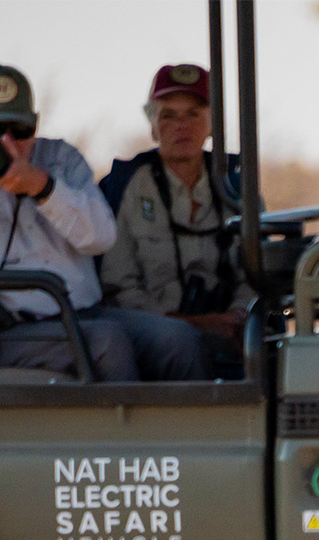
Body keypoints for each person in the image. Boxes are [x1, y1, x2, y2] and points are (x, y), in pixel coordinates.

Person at [0, 65, 208, 381]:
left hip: (83, 314)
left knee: (180, 340)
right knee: (106, 343)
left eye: (19, 131)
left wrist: (42, 187)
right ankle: (127, 431)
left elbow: (101, 238)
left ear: (35, 125)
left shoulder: (60, 160)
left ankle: (201, 431)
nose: (8, 143)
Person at [100, 63, 252, 374]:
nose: (182, 126)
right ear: (152, 126)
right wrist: (195, 324)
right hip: (151, 330)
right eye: (168, 115)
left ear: (213, 124)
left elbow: (254, 274)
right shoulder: (124, 187)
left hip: (231, 330)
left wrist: (237, 317)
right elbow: (118, 291)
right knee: (180, 341)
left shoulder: (238, 187)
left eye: (194, 113)